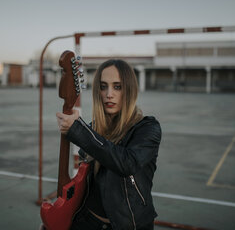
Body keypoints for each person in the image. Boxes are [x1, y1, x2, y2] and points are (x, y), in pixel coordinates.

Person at [56, 59, 161, 230]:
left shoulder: (147, 128)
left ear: (130, 90)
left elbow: (127, 163)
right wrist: (59, 220)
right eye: (103, 86)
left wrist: (79, 130)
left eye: (117, 87)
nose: (109, 94)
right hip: (87, 222)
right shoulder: (92, 129)